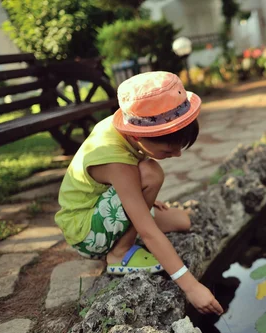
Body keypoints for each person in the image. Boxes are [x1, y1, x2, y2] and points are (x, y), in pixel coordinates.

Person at [55, 71, 223, 315]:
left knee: (182, 221)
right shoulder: (116, 160)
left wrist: (149, 199)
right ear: (138, 136)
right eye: (168, 150)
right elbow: (147, 229)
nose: (177, 155)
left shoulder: (126, 130)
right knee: (152, 174)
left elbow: (113, 185)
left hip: (103, 212)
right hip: (85, 231)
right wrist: (191, 286)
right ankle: (119, 253)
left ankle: (126, 235)